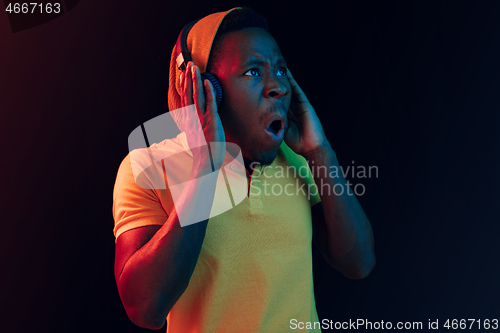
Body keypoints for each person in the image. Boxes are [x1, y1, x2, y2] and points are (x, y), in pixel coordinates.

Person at [112, 7, 375, 332]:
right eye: (253, 72)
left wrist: (321, 153)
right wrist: (205, 171)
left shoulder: (297, 160)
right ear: (206, 89)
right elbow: (144, 308)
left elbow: (359, 263)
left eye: (280, 71)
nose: (277, 87)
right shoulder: (148, 167)